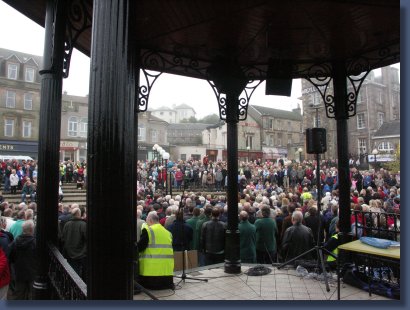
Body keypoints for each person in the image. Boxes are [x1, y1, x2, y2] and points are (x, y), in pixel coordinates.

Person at [137, 211, 174, 290]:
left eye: (146, 221)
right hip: (166, 272)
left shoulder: (148, 230)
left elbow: (140, 247)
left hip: (150, 273)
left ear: (150, 220)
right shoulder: (168, 232)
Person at [8, 220, 36, 300]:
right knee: (32, 295)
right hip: (32, 272)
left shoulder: (15, 241)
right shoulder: (35, 242)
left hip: (19, 271)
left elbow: (11, 257)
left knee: (18, 294)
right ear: (31, 230)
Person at [61, 207, 87, 282]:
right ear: (79, 214)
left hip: (69, 253)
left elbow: (63, 238)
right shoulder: (83, 225)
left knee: (72, 273)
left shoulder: (67, 224)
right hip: (81, 254)